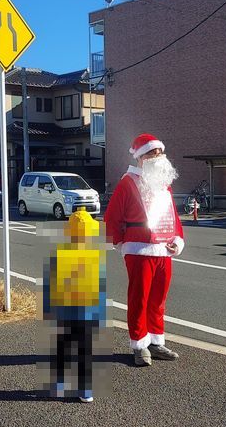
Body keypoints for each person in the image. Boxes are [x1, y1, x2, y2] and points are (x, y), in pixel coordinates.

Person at [104, 133, 185, 366]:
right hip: (138, 249)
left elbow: (174, 218)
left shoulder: (164, 186)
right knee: (139, 298)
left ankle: (156, 342)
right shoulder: (128, 182)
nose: (157, 156)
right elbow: (113, 217)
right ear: (140, 157)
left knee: (159, 299)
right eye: (151, 152)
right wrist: (121, 242)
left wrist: (177, 239)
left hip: (163, 249)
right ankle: (139, 344)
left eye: (160, 152)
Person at [42, 208, 106, 403]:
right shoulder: (94, 256)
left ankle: (58, 385)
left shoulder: (60, 253)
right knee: (84, 353)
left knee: (62, 348)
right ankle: (85, 389)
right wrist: (100, 315)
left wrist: (48, 310)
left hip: (64, 313)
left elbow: (50, 286)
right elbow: (99, 290)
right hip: (86, 314)